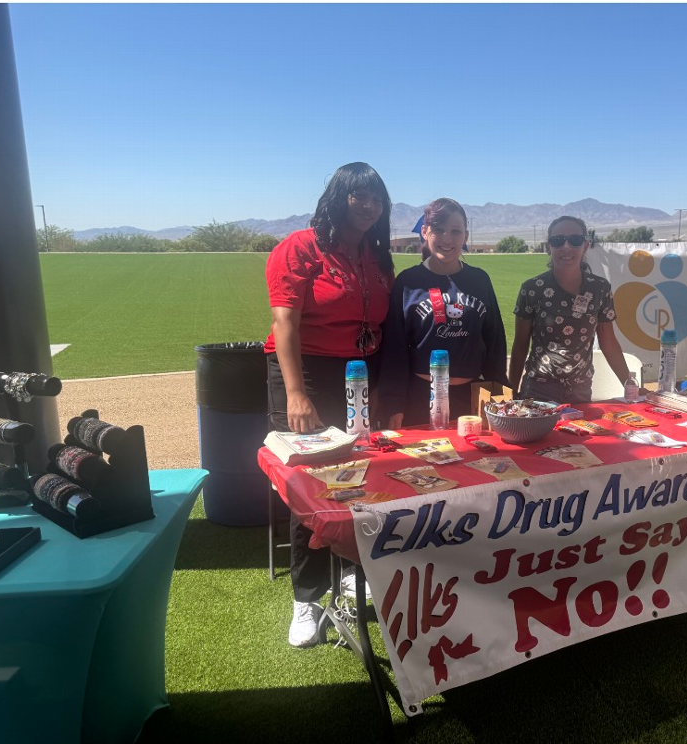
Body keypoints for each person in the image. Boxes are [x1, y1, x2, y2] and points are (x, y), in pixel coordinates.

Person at [264, 162, 394, 647]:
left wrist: (378, 388)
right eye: (359, 196)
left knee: (358, 475)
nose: (369, 206)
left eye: (377, 199)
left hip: (360, 373)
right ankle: (306, 598)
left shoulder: (377, 257)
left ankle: (346, 570)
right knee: (311, 486)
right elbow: (286, 326)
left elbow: (380, 329)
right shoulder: (299, 247)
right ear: (337, 198)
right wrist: (296, 393)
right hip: (308, 374)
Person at [380, 198, 507, 428]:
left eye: (455, 231)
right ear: (425, 232)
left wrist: (500, 396)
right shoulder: (408, 282)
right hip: (419, 399)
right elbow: (394, 348)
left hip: (471, 400)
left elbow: (495, 342)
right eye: (439, 229)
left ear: (465, 237)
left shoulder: (479, 280)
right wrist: (393, 403)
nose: (447, 239)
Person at [509, 215, 636, 402]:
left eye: (575, 240)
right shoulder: (533, 289)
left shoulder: (600, 289)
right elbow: (520, 344)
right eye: (557, 241)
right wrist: (512, 391)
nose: (566, 247)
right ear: (548, 247)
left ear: (585, 245)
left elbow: (608, 342)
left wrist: (630, 385)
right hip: (538, 390)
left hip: (580, 390)